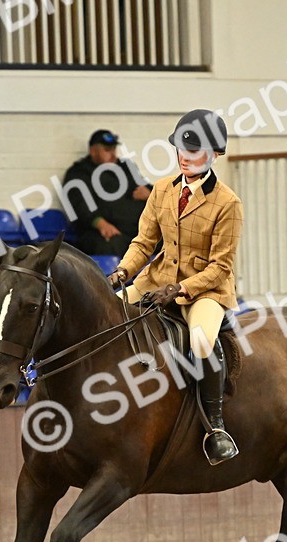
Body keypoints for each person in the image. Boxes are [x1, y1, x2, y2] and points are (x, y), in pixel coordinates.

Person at [108, 109, 242, 466]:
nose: (185, 157)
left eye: (195, 151)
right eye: (182, 149)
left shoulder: (227, 203)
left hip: (207, 290)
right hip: (156, 280)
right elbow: (143, 242)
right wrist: (122, 273)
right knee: (109, 310)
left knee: (200, 342)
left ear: (214, 154)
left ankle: (215, 428)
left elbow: (221, 266)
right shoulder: (163, 190)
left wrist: (181, 289)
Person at [62, 129, 152, 257]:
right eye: (107, 150)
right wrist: (99, 223)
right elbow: (79, 204)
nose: (112, 154)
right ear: (93, 151)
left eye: (114, 149)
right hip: (103, 233)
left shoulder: (126, 167)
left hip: (137, 231)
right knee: (110, 246)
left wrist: (149, 194)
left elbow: (150, 189)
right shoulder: (79, 173)